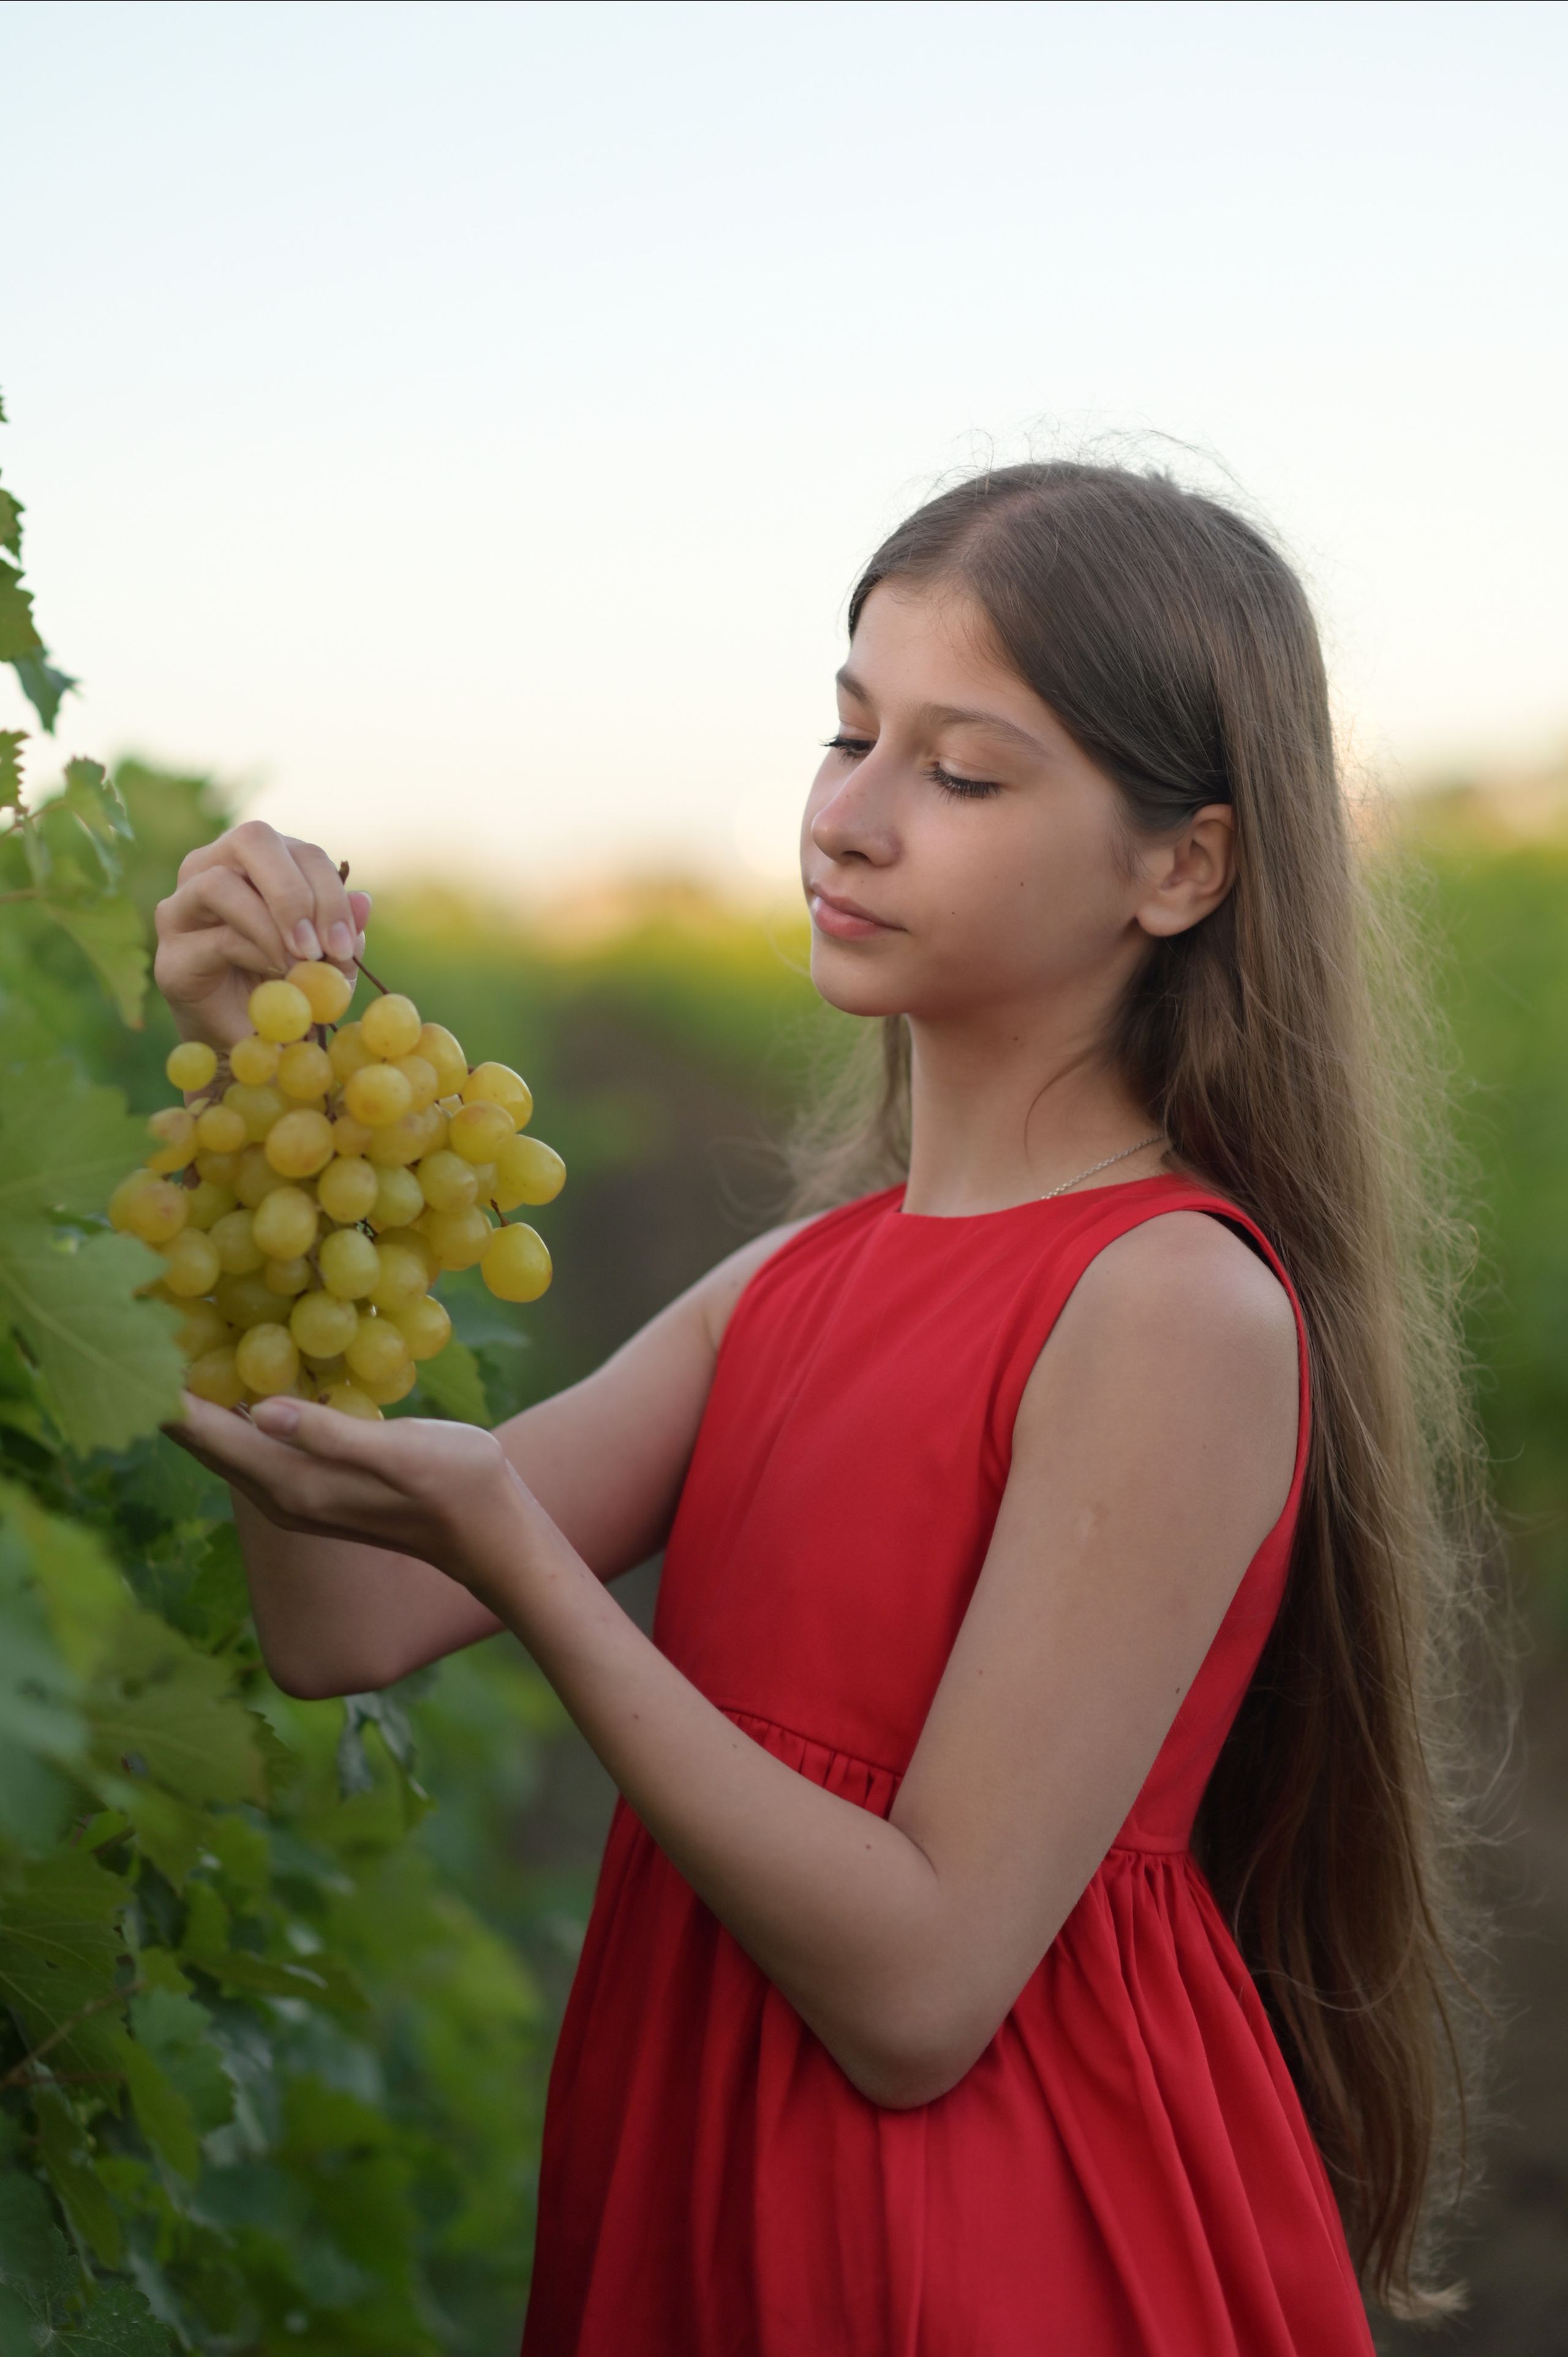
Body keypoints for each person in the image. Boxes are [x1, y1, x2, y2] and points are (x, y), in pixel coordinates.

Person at [163, 461, 1490, 2355]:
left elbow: (924, 1990)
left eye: (959, 774)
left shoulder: (1171, 1304)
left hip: (990, 2234)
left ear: (1180, 867)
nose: (847, 822)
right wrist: (245, 1082)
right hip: (708, 2170)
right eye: (848, 732)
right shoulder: (790, 1289)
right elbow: (340, 1613)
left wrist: (540, 1575)